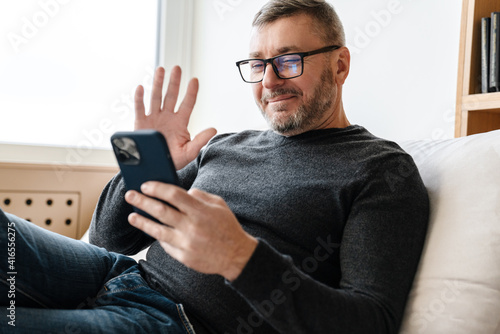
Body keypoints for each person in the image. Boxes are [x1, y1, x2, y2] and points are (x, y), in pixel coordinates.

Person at [1, 0, 429, 333]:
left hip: (180, 324)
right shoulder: (226, 145)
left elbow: (370, 321)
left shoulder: (381, 170)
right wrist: (146, 165)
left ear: (340, 64)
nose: (268, 81)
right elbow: (113, 240)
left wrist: (239, 257)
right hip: (121, 273)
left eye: (289, 60)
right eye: (258, 64)